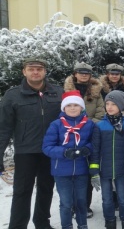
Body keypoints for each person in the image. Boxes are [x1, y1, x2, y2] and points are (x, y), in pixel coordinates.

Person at [0, 58, 63, 229]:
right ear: (24, 71)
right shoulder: (12, 95)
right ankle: (17, 225)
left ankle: (42, 223)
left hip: (49, 151)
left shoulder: (57, 92)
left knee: (46, 189)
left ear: (45, 72)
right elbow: (4, 128)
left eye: (39, 69)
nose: (35, 72)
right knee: (21, 192)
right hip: (25, 151)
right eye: (31, 69)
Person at [42, 90, 95, 229]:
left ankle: (82, 225)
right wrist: (64, 152)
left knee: (81, 201)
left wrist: (87, 149)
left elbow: (94, 142)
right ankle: (67, 226)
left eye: (76, 105)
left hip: (81, 170)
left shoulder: (88, 124)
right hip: (61, 171)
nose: (72, 108)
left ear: (81, 107)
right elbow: (47, 147)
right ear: (64, 108)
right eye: (69, 105)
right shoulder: (56, 125)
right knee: (66, 203)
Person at [89, 90, 124, 229]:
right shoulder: (99, 126)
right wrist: (94, 172)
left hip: (122, 170)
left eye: (113, 104)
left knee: (123, 198)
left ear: (121, 106)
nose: (109, 107)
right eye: (107, 104)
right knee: (107, 199)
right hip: (104, 171)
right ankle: (109, 222)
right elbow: (95, 150)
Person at [64, 62, 104, 218]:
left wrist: (87, 125)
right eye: (81, 72)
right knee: (72, 172)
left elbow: (101, 111)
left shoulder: (96, 91)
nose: (84, 75)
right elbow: (62, 110)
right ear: (75, 74)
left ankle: (85, 205)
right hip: (70, 133)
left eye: (87, 73)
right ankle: (72, 205)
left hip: (89, 133)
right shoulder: (67, 91)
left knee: (87, 172)